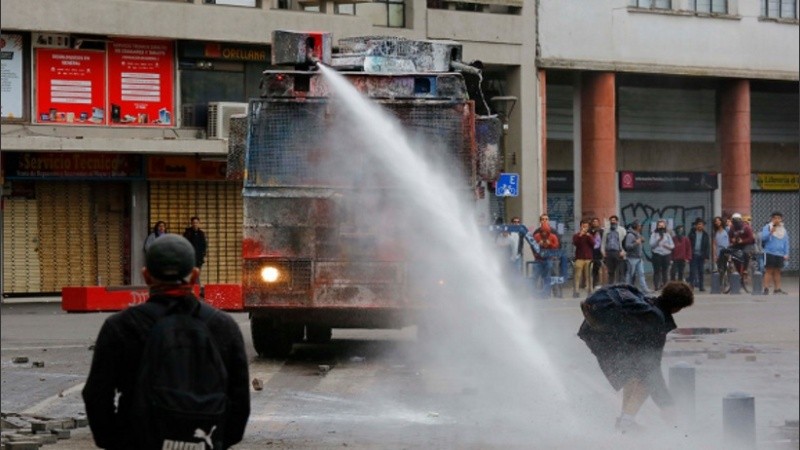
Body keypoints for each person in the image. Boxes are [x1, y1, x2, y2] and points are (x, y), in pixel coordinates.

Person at [82, 235, 250, 450]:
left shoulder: (121, 326)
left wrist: (118, 441)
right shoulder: (222, 326)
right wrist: (216, 441)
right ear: (195, 275)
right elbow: (240, 402)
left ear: (146, 276)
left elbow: (97, 395)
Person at [578, 281, 695, 433]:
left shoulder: (645, 300)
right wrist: (666, 405)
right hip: (606, 340)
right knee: (646, 379)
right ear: (678, 308)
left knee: (633, 375)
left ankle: (625, 420)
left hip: (594, 334)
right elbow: (652, 367)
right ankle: (626, 423)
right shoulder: (655, 318)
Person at [761, 212, 790, 295]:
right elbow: (763, 238)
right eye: (775, 218)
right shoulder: (767, 227)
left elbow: (786, 242)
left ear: (781, 219)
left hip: (780, 253)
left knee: (778, 271)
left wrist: (786, 253)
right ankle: (766, 288)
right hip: (769, 252)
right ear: (772, 219)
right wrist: (771, 232)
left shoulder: (783, 230)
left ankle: (777, 289)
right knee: (769, 270)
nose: (777, 219)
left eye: (779, 218)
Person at [532, 214, 560, 298]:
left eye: (546, 219)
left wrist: (550, 244)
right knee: (536, 275)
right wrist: (538, 245)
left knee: (552, 275)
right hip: (539, 259)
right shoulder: (536, 234)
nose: (544, 234)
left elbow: (557, 245)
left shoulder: (554, 234)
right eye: (543, 219)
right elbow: (532, 246)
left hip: (551, 258)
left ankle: (555, 293)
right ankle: (536, 293)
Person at [623, 220, 651, 293]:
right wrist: (636, 242)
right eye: (639, 225)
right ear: (636, 226)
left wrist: (641, 240)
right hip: (631, 258)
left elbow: (640, 241)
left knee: (641, 274)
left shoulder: (637, 234)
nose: (641, 227)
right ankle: (627, 288)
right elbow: (627, 246)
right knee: (630, 274)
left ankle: (644, 289)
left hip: (638, 258)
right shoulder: (630, 235)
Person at [728, 213, 755, 282]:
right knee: (732, 254)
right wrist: (732, 240)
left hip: (748, 244)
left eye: (737, 220)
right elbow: (730, 237)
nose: (735, 222)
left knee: (745, 253)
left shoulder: (746, 227)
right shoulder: (732, 228)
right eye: (734, 220)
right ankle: (738, 270)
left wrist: (743, 240)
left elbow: (751, 238)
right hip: (737, 244)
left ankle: (745, 270)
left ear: (740, 220)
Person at [183, 216, 209, 291]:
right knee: (192, 275)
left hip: (198, 259)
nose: (195, 224)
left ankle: (196, 290)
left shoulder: (201, 233)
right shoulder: (187, 233)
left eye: (196, 223)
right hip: (190, 258)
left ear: (199, 223)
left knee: (196, 275)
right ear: (191, 223)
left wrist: (202, 255)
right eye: (193, 223)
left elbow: (204, 245)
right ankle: (197, 290)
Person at [572, 219, 595, 298]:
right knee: (577, 275)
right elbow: (575, 243)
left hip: (588, 258)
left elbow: (593, 244)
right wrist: (580, 235)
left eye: (586, 227)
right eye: (583, 226)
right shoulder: (576, 235)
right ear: (580, 226)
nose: (585, 228)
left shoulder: (590, 235)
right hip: (579, 258)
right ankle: (576, 291)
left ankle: (589, 290)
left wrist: (588, 236)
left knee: (589, 275)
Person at [601, 215, 626, 285]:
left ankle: (620, 287)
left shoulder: (622, 230)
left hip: (618, 253)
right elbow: (603, 242)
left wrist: (624, 252)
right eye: (611, 221)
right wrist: (603, 252)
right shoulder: (606, 231)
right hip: (609, 253)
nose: (613, 222)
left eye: (614, 220)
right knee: (610, 271)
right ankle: (611, 286)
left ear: (617, 221)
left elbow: (625, 243)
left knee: (620, 271)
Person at [649, 220, 674, 291]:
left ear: (665, 226)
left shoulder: (667, 235)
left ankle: (665, 286)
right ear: (657, 226)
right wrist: (658, 240)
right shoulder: (654, 234)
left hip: (666, 255)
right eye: (659, 225)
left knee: (665, 271)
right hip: (657, 255)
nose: (661, 227)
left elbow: (672, 246)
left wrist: (667, 246)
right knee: (657, 271)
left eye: (662, 225)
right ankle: (656, 286)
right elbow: (651, 245)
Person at [687, 218, 711, 292]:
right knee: (692, 271)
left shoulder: (705, 234)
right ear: (696, 225)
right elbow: (688, 245)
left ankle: (701, 286)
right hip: (693, 255)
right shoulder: (692, 234)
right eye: (699, 224)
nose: (700, 226)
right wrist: (688, 255)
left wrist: (706, 256)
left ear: (703, 226)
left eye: (701, 225)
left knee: (701, 271)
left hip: (701, 255)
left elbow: (707, 246)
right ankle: (691, 285)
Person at [589, 217, 604, 289]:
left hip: (599, 253)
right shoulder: (589, 231)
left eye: (596, 221)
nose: (595, 223)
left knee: (599, 269)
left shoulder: (601, 231)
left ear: (598, 223)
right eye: (594, 221)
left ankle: (599, 283)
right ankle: (591, 284)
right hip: (591, 252)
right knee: (591, 270)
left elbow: (603, 241)